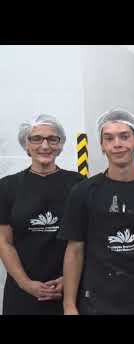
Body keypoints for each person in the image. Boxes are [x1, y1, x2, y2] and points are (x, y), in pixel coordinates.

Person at [60, 109, 134, 315]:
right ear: (102, 146)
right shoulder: (83, 192)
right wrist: (69, 305)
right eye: (109, 138)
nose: (117, 144)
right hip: (94, 300)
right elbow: (74, 250)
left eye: (124, 136)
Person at [0, 115, 84, 314]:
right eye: (36, 139)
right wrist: (26, 283)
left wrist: (68, 279)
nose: (44, 146)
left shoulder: (79, 184)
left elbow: (86, 239)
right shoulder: (7, 187)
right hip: (22, 293)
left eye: (52, 139)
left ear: (60, 145)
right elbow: (4, 242)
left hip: (69, 291)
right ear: (26, 145)